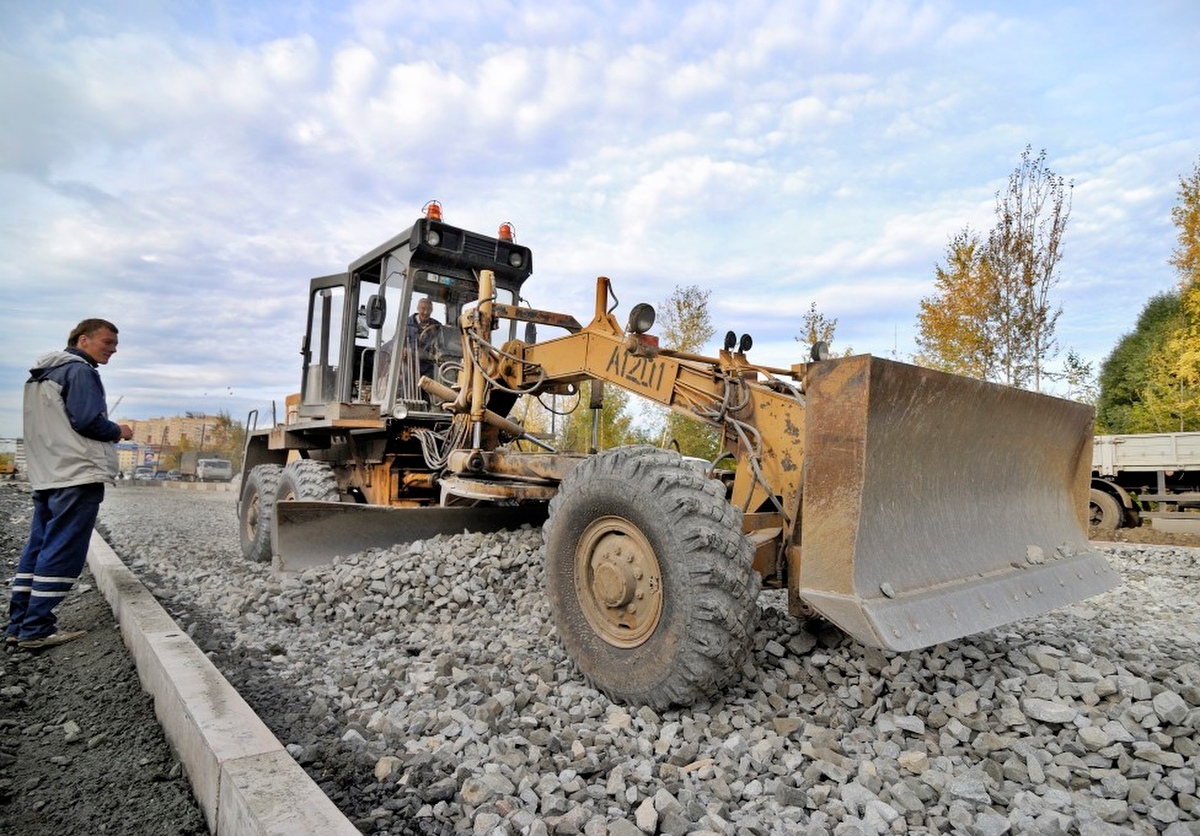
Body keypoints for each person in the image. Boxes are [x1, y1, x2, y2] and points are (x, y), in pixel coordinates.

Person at [6, 318, 133, 649]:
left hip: (49, 473)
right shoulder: (79, 371)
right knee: (63, 548)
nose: (114, 348)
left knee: (39, 545)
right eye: (107, 342)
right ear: (83, 340)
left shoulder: (40, 376)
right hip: (77, 472)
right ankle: (37, 628)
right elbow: (88, 421)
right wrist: (119, 430)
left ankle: (18, 625)